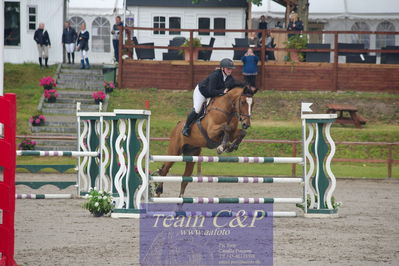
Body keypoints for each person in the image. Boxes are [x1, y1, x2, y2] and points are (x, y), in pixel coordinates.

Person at [182, 58, 243, 137]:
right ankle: (186, 127)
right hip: (202, 92)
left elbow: (236, 83)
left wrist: (247, 87)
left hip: (213, 93)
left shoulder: (229, 77)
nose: (230, 71)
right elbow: (211, 91)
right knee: (197, 109)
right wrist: (222, 92)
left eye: (231, 69)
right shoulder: (215, 75)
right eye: (228, 69)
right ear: (222, 68)